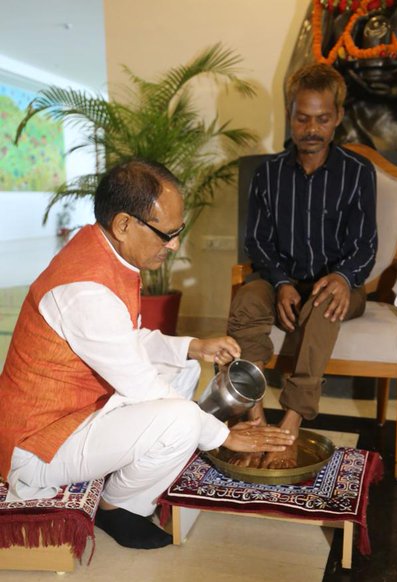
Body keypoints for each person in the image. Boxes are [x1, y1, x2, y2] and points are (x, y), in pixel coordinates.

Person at [0, 160, 295, 549]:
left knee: (184, 368)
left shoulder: (102, 248)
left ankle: (146, 458)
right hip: (39, 443)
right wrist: (223, 436)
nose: (173, 245)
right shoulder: (85, 289)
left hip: (80, 409)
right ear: (124, 224)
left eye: (177, 231)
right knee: (182, 420)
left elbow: (126, 338)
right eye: (167, 234)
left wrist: (193, 346)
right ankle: (119, 505)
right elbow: (141, 386)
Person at [227, 64, 377, 469]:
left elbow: (366, 245)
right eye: (302, 118)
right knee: (246, 301)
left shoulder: (358, 172)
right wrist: (280, 282)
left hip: (343, 286)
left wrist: (343, 278)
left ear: (338, 116)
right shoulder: (268, 174)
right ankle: (256, 419)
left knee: (326, 302)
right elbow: (257, 242)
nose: (312, 129)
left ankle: (290, 424)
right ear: (289, 114)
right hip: (281, 279)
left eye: (322, 119)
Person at [285, 0, 397, 150]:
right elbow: (298, 73)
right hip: (329, 139)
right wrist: (338, 82)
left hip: (393, 134)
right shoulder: (326, 5)